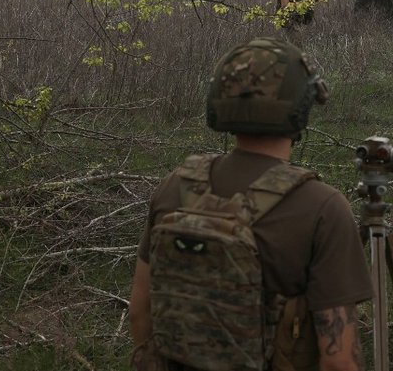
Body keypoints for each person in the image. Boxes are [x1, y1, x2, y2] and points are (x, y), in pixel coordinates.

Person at [129, 37, 371, 371]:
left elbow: (140, 314)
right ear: (300, 108)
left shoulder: (176, 185)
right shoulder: (323, 208)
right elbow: (339, 360)